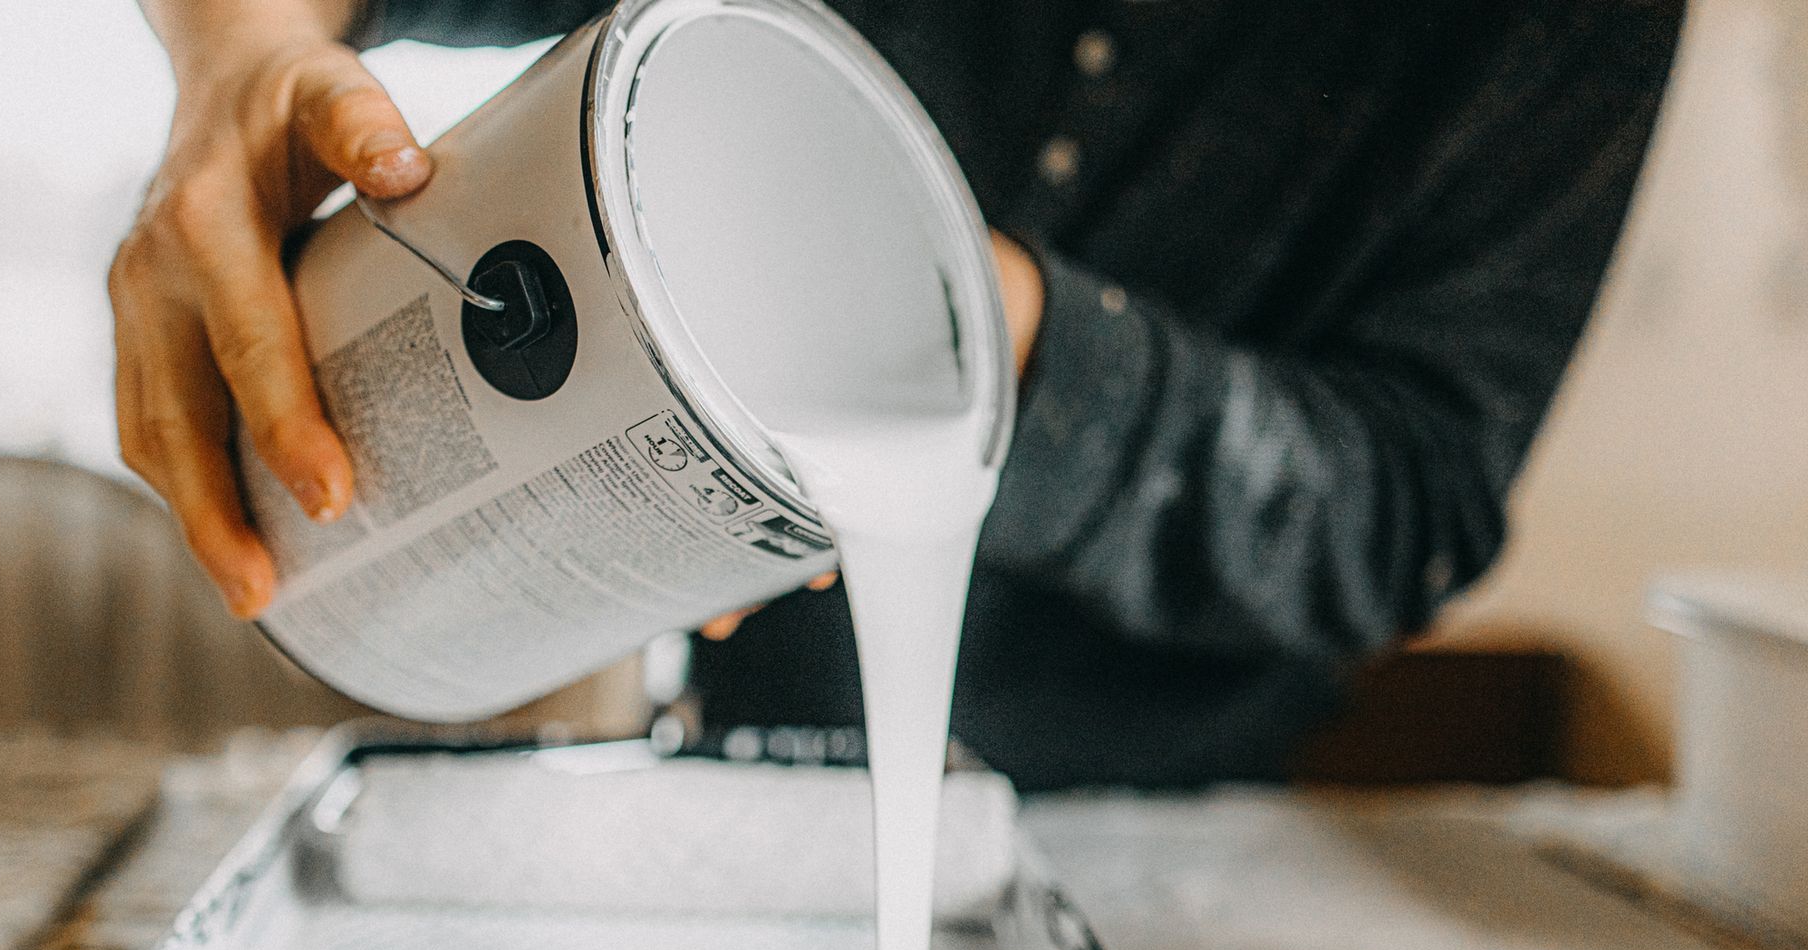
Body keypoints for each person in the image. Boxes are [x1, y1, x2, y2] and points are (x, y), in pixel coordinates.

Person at [110, 0, 1684, 790]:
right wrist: (240, 50)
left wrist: (981, 325)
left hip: (1179, 823)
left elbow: (1412, 506)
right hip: (739, 746)